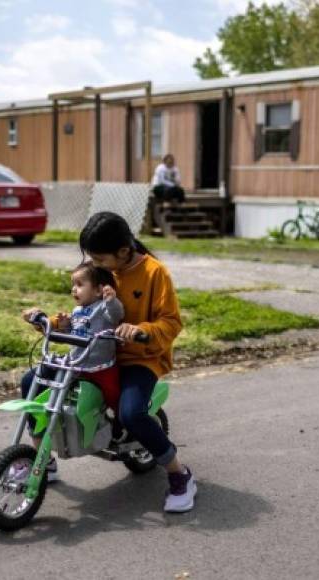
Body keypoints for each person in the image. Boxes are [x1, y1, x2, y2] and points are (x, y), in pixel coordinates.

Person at [78, 211, 196, 513]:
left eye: (100, 259)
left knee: (131, 413)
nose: (95, 265)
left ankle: (179, 475)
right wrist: (57, 322)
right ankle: (40, 461)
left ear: (123, 251)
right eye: (92, 259)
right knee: (35, 382)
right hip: (99, 355)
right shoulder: (103, 270)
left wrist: (141, 332)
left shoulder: (155, 273)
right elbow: (85, 306)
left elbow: (171, 323)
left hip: (139, 359)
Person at [19, 262, 124, 482]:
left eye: (79, 284)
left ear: (97, 289)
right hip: (76, 366)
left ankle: (121, 424)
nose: (73, 289)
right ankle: (44, 450)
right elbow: (74, 330)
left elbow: (117, 315)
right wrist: (65, 324)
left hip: (100, 367)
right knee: (38, 384)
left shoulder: (104, 308)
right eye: (72, 285)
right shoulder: (78, 310)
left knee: (114, 396)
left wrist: (111, 299)